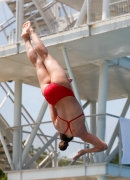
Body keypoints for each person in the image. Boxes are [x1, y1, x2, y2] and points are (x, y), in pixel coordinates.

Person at [21, 21, 108, 160]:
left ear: (72, 138)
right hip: (50, 94)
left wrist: (83, 152)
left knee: (45, 56)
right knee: (37, 63)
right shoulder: (58, 127)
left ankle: (31, 31)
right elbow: (51, 104)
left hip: (63, 90)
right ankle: (25, 39)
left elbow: (103, 146)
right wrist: (62, 85)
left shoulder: (81, 133)